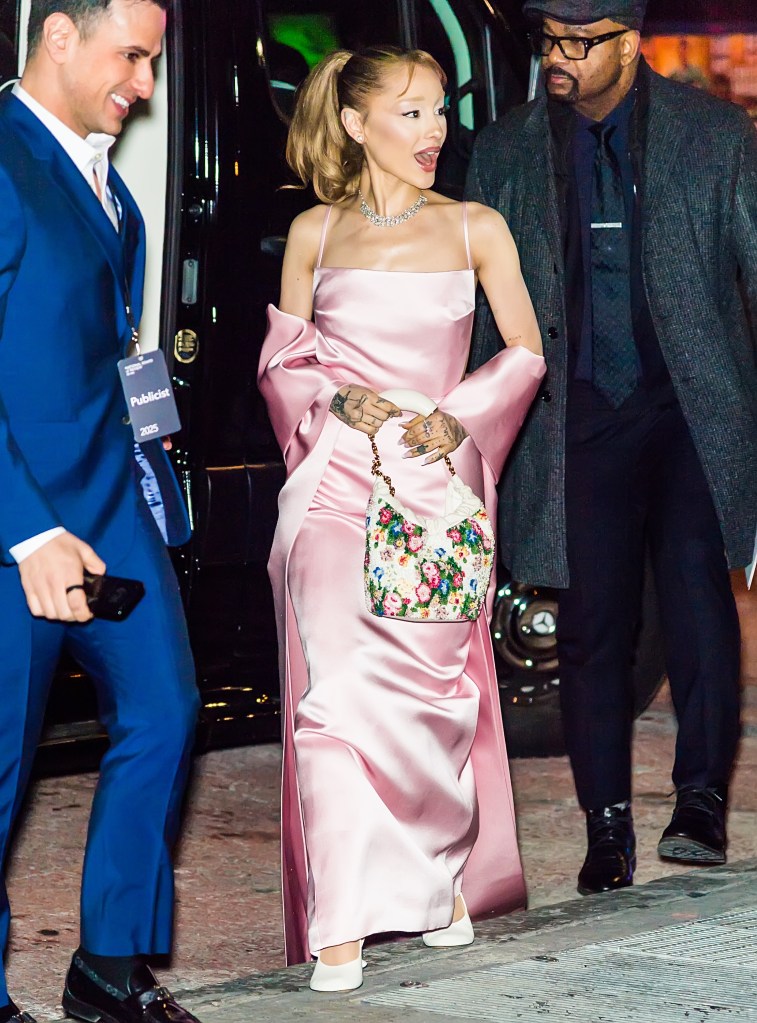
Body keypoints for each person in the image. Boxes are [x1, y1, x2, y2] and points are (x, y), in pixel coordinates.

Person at [258, 46, 545, 992]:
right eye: (412, 113)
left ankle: (434, 873)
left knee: (427, 706)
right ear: (355, 122)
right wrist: (338, 403)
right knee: (332, 696)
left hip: (431, 495)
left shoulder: (476, 227)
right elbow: (284, 367)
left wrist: (449, 418)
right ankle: (341, 921)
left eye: (438, 113)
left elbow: (524, 356)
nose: (434, 133)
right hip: (335, 487)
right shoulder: (311, 233)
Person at [466, 0, 757, 897]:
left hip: (690, 407)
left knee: (695, 597)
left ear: (626, 44)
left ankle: (699, 799)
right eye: (547, 38)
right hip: (574, 410)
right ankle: (605, 826)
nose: (556, 56)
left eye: (576, 42)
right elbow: (478, 307)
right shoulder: (504, 147)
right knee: (590, 624)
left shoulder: (714, 135)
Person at [0, 2, 202, 1021]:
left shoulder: (108, 184)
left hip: (112, 503)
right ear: (61, 37)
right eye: (133, 56)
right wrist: (23, 526)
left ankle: (109, 969)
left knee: (165, 711)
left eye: (152, 61)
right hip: (17, 525)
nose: (145, 84)